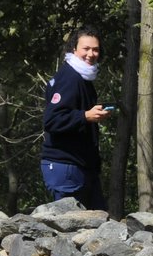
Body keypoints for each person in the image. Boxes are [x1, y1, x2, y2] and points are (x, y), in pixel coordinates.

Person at [40, 26, 110, 210]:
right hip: (66, 167)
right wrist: (85, 115)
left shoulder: (82, 78)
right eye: (86, 48)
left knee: (96, 225)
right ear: (74, 49)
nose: (91, 54)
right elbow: (51, 120)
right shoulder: (70, 78)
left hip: (80, 166)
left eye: (95, 49)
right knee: (72, 231)